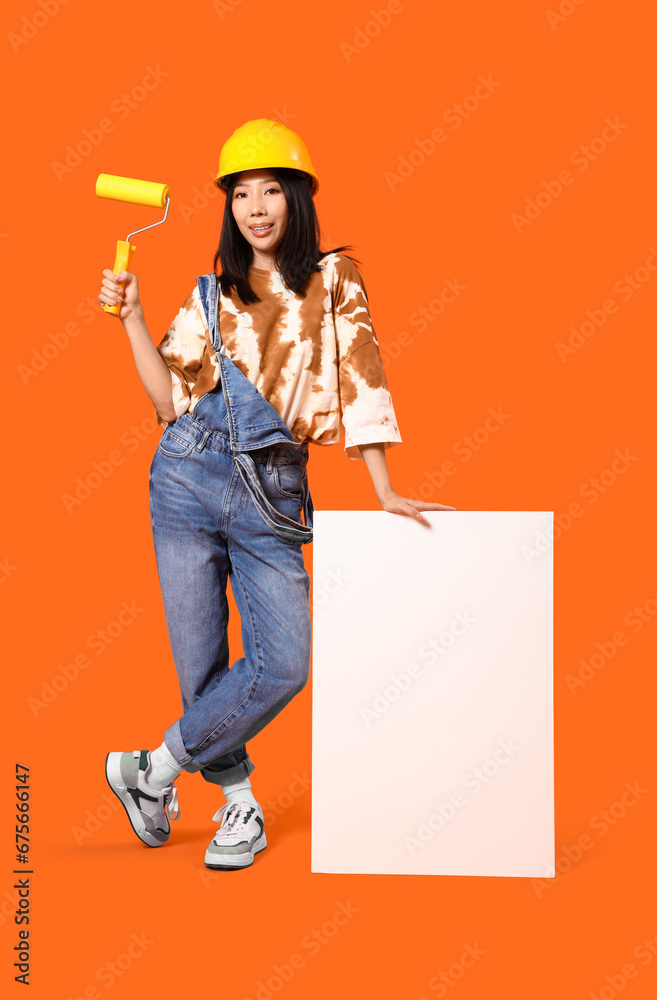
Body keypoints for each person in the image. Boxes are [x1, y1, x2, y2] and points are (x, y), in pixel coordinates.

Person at [100, 119, 455, 870]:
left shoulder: (334, 280)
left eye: (270, 190)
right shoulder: (211, 293)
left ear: (295, 198)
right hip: (185, 474)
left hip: (273, 486)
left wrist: (384, 489)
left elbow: (362, 379)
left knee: (281, 665)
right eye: (240, 194)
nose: (255, 207)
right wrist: (131, 317)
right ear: (227, 207)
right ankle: (239, 808)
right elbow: (168, 403)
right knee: (201, 664)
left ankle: (150, 771)